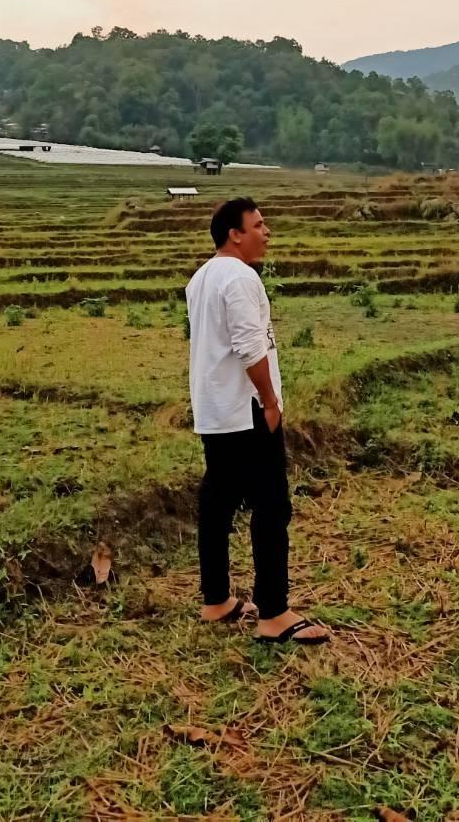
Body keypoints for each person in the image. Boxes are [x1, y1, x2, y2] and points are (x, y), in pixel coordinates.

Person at [185, 196, 330, 645]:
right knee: (272, 504)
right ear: (235, 233)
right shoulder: (241, 277)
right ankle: (274, 613)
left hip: (215, 409)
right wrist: (269, 401)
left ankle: (216, 600)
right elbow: (251, 347)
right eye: (259, 224)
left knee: (219, 500)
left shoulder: (201, 278)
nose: (267, 232)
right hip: (247, 408)